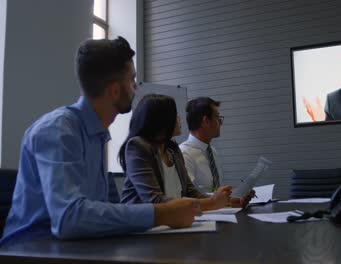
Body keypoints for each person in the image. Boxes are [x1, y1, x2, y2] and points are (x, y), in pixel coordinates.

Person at [0, 37, 201, 246]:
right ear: (115, 90)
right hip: (30, 251)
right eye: (132, 81)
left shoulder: (97, 134)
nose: (135, 88)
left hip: (77, 248)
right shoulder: (58, 131)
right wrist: (160, 214)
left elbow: (106, 210)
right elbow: (69, 218)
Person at [118, 94, 233, 211]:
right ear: (160, 119)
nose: (178, 118)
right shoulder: (138, 146)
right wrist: (212, 203)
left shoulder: (173, 150)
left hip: (170, 222)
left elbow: (190, 192)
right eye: (174, 114)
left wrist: (225, 201)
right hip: (142, 225)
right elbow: (154, 200)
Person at [179, 97, 253, 207]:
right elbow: (188, 197)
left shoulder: (212, 151)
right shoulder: (184, 154)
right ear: (206, 121)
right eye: (218, 117)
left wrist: (235, 198)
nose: (220, 123)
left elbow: (215, 192)